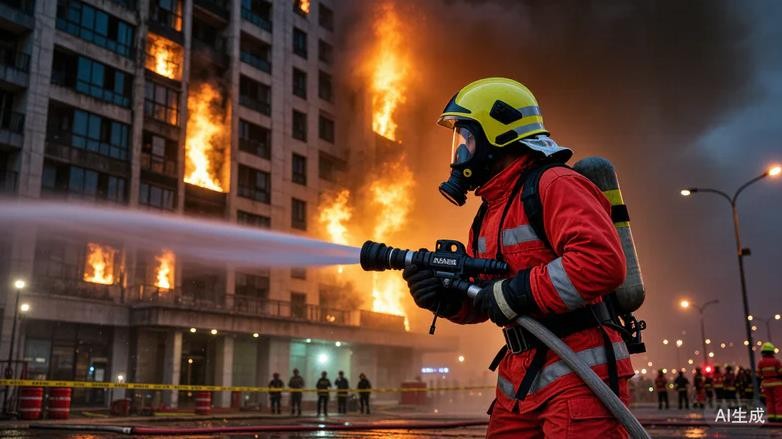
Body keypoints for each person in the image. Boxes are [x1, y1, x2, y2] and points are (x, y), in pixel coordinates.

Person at [403, 78, 633, 437]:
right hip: (519, 381)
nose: (461, 153)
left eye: (468, 138)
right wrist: (446, 298)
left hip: (580, 376)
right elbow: (485, 299)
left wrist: (516, 293)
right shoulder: (489, 212)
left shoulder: (555, 184)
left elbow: (601, 262)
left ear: (496, 136)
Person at [758, 342, 782, 422]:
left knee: (769, 401)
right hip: (777, 383)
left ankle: (771, 416)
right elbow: (781, 372)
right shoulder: (776, 361)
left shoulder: (760, 362)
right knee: (779, 400)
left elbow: (759, 373)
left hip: (766, 384)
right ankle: (780, 416)